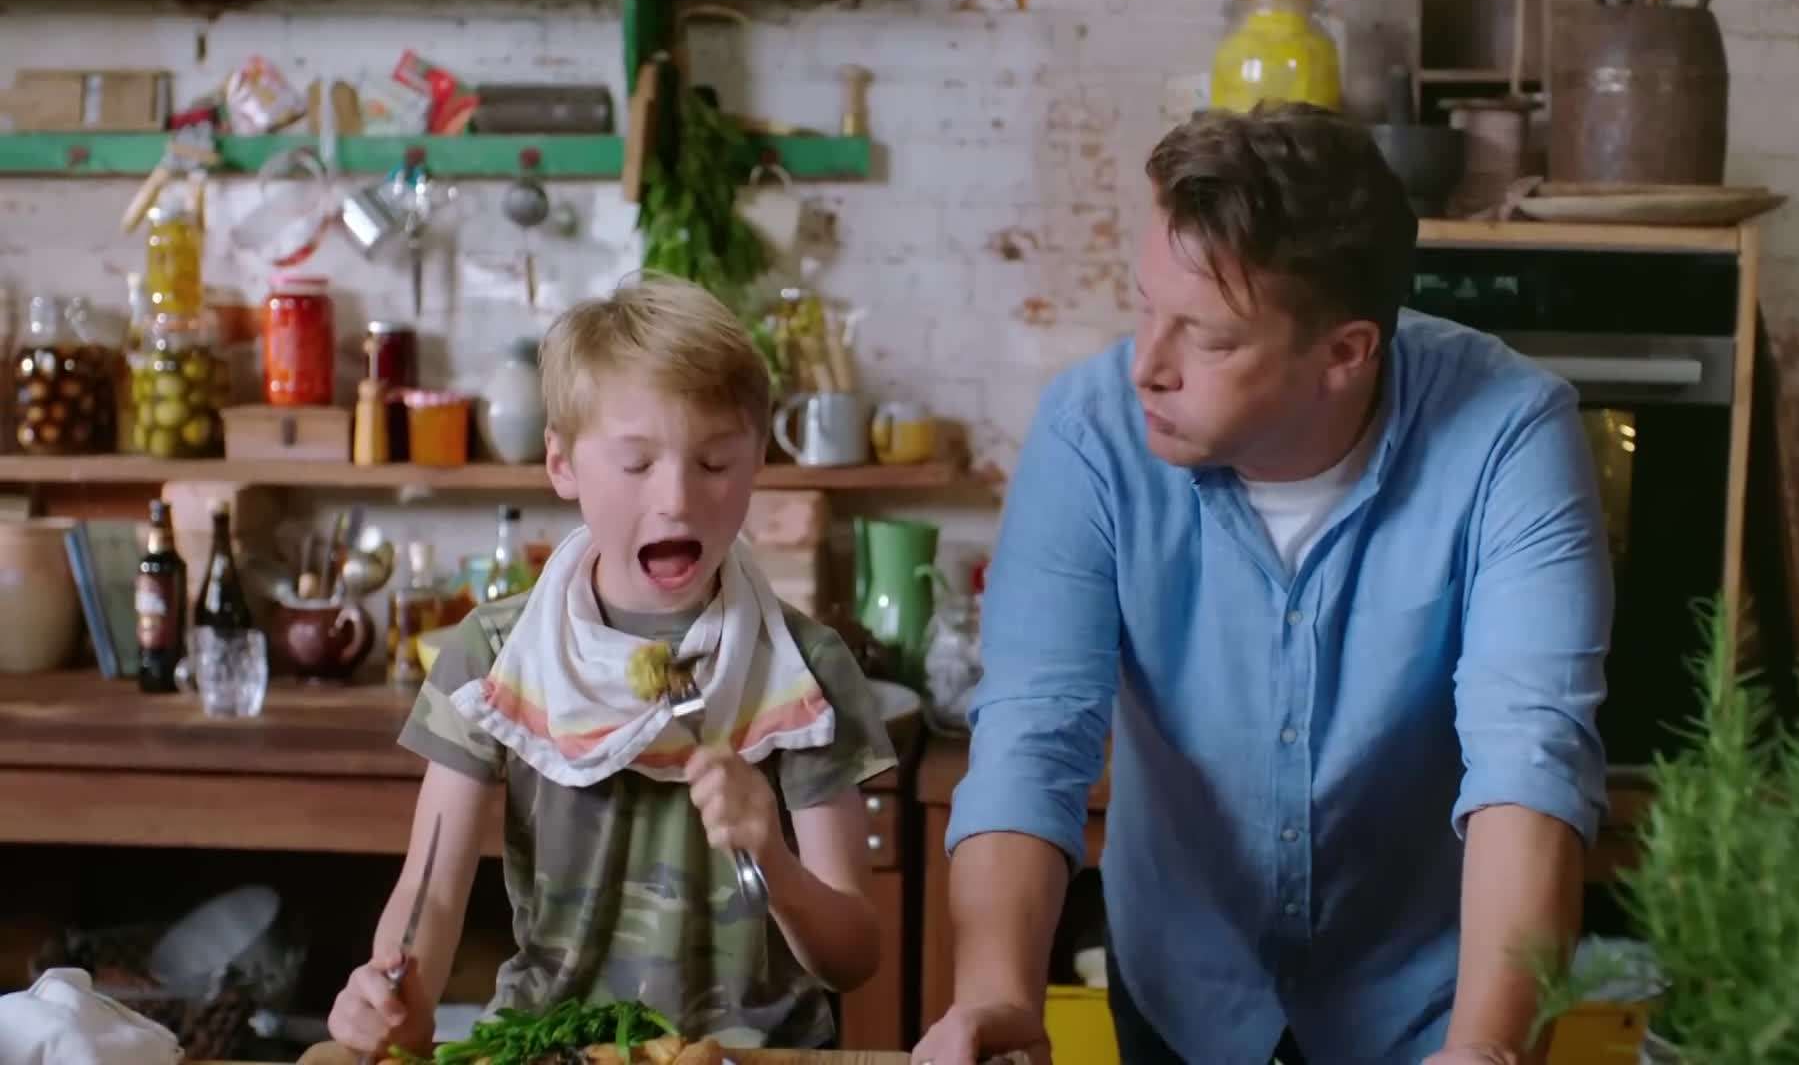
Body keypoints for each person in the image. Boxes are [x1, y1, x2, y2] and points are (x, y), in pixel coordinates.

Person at [912, 104, 1611, 1065]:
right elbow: (1034, 736)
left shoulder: (1509, 436)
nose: (1146, 367)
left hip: (1427, 1011)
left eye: (1205, 337)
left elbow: (1530, 763)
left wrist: (1487, 1046)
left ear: (1345, 352)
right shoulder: (1088, 430)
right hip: (1182, 994)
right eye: (1146, 306)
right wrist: (996, 997)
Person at [327, 275, 897, 1056]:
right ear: (561, 464)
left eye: (716, 462)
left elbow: (855, 958)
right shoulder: (492, 660)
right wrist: (389, 995)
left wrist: (772, 857)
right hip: (549, 1047)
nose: (677, 500)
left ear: (759, 457)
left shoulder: (806, 670)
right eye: (636, 465)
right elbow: (430, 899)